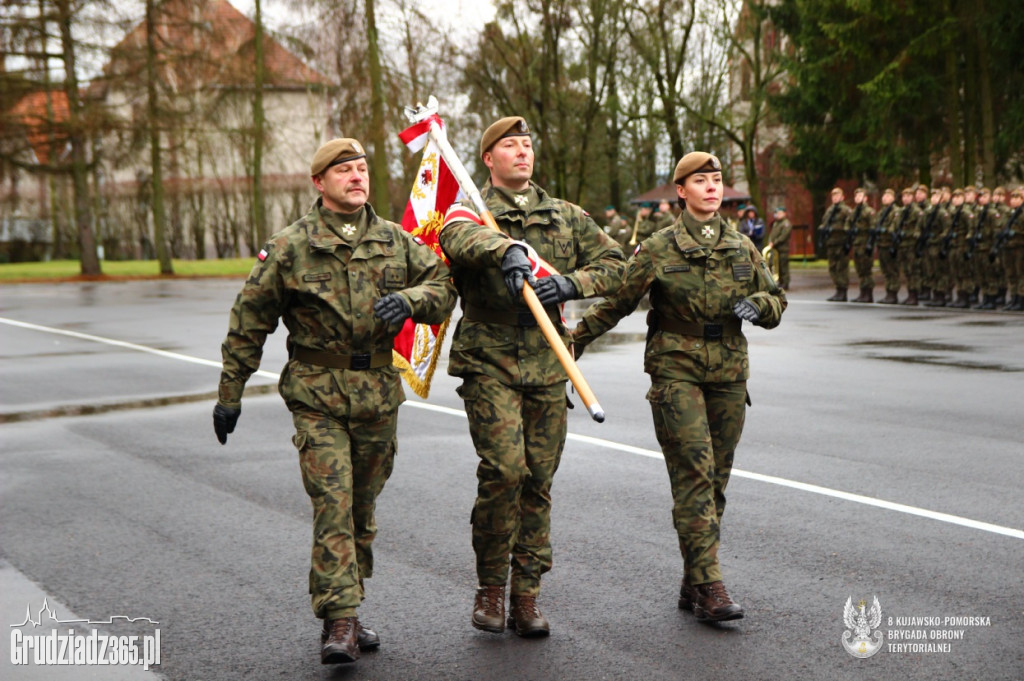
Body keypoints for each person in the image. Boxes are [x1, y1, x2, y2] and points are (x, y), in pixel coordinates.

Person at [212, 138, 456, 665]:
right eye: (343, 170)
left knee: (362, 513)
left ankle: (350, 604)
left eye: (362, 168)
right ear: (319, 182)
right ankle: (339, 620)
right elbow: (249, 322)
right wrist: (229, 393)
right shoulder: (289, 247)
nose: (356, 176)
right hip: (317, 397)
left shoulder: (395, 241)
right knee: (334, 504)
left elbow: (443, 285)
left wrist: (413, 300)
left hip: (377, 398)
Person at [573, 152, 786, 623]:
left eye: (716, 180)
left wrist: (759, 306)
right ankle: (711, 585)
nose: (712, 188)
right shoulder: (657, 247)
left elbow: (777, 296)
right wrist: (574, 340)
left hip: (729, 372)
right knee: (694, 473)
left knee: (716, 482)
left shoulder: (741, 246)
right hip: (676, 370)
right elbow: (618, 302)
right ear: (681, 192)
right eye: (700, 181)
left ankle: (693, 579)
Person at [438, 116, 625, 638]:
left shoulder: (565, 215)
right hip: (489, 357)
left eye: (527, 144)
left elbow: (616, 265)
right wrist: (508, 249)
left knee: (538, 480)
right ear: (488, 160)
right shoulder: (471, 210)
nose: (522, 152)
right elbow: (456, 238)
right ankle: (491, 586)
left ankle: (526, 594)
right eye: (509, 146)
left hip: (546, 359)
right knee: (504, 469)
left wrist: (570, 284)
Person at [818, 187, 852, 301]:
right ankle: (838, 289)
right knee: (832, 267)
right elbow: (824, 223)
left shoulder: (846, 210)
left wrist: (848, 241)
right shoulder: (829, 211)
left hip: (841, 242)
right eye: (833, 196)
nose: (835, 198)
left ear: (842, 197)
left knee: (842, 267)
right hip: (831, 242)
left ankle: (843, 290)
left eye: (837, 195)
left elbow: (849, 226)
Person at [848, 188, 876, 302]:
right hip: (857, 243)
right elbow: (848, 224)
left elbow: (873, 228)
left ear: (865, 198)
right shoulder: (854, 212)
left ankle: (868, 293)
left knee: (866, 269)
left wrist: (870, 243)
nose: (858, 198)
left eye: (860, 196)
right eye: (856, 196)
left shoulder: (869, 211)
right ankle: (862, 292)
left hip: (865, 242)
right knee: (859, 269)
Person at [873, 189, 901, 304]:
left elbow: (894, 227)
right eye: (884, 195)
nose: (885, 197)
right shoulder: (881, 212)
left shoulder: (896, 211)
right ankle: (888, 292)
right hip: (882, 243)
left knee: (892, 269)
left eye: (888, 196)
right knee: (885, 269)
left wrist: (884, 230)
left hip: (890, 244)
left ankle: (893, 293)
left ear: (893, 198)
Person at [767, 205, 792, 289]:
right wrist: (770, 241)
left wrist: (774, 242)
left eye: (780, 213)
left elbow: (783, 236)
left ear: (784, 214)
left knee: (783, 266)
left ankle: (785, 282)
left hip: (783, 248)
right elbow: (772, 234)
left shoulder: (786, 223)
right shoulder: (776, 223)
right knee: (777, 266)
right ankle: (780, 281)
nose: (778, 215)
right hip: (775, 248)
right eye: (777, 213)